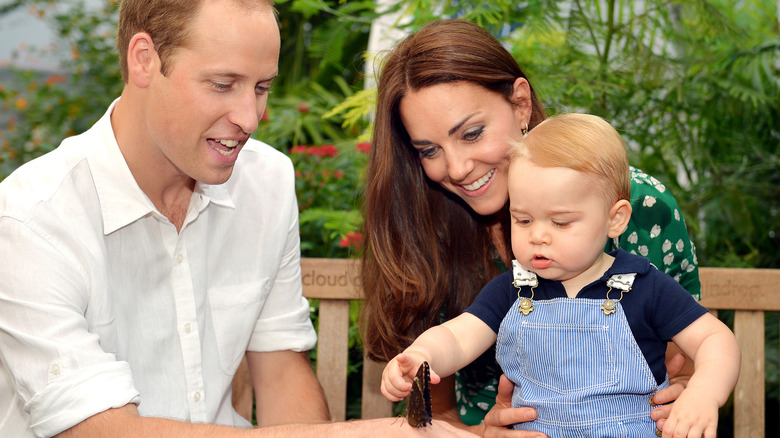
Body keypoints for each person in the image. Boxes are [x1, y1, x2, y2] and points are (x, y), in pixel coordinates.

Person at [0, 1, 476, 437]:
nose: (250, 117)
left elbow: (281, 371)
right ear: (143, 59)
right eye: (223, 84)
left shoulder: (265, 180)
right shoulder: (31, 219)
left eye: (262, 87)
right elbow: (97, 430)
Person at [360, 18, 702, 435]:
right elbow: (438, 403)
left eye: (471, 133)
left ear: (520, 104)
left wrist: (688, 390)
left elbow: (691, 354)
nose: (457, 168)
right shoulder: (428, 225)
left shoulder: (633, 204)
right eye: (429, 149)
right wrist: (484, 433)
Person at [381, 113, 740, 438]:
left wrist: (704, 393)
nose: (538, 235)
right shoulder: (513, 291)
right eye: (522, 219)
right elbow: (458, 339)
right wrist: (423, 355)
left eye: (561, 222)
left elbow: (714, 340)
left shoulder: (643, 286)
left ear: (615, 219)